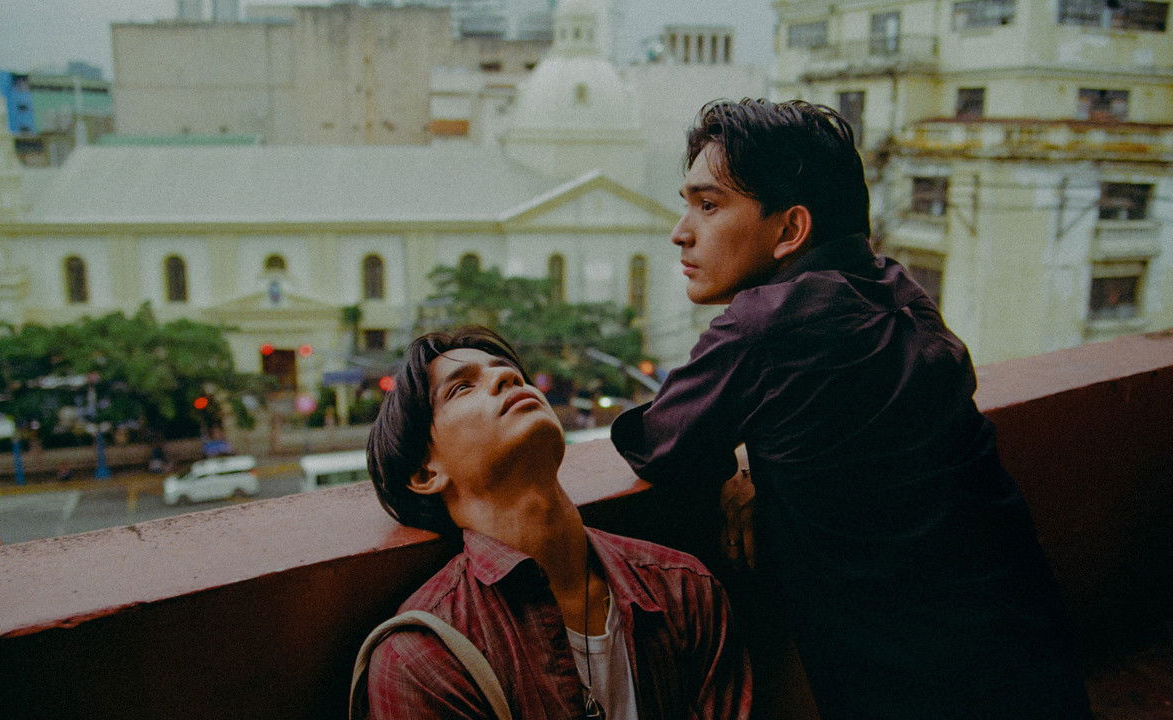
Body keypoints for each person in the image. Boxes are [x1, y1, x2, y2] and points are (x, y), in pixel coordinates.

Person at [610, 99, 1092, 719]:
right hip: (1028, 647)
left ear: (790, 230)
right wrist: (754, 461)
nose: (681, 231)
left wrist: (735, 462)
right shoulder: (898, 289)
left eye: (708, 205)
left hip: (910, 683)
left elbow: (658, 443)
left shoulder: (766, 322)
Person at [363, 326, 751, 719]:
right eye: (462, 388)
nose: (508, 376)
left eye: (508, 370)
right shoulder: (423, 659)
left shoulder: (683, 588)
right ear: (425, 473)